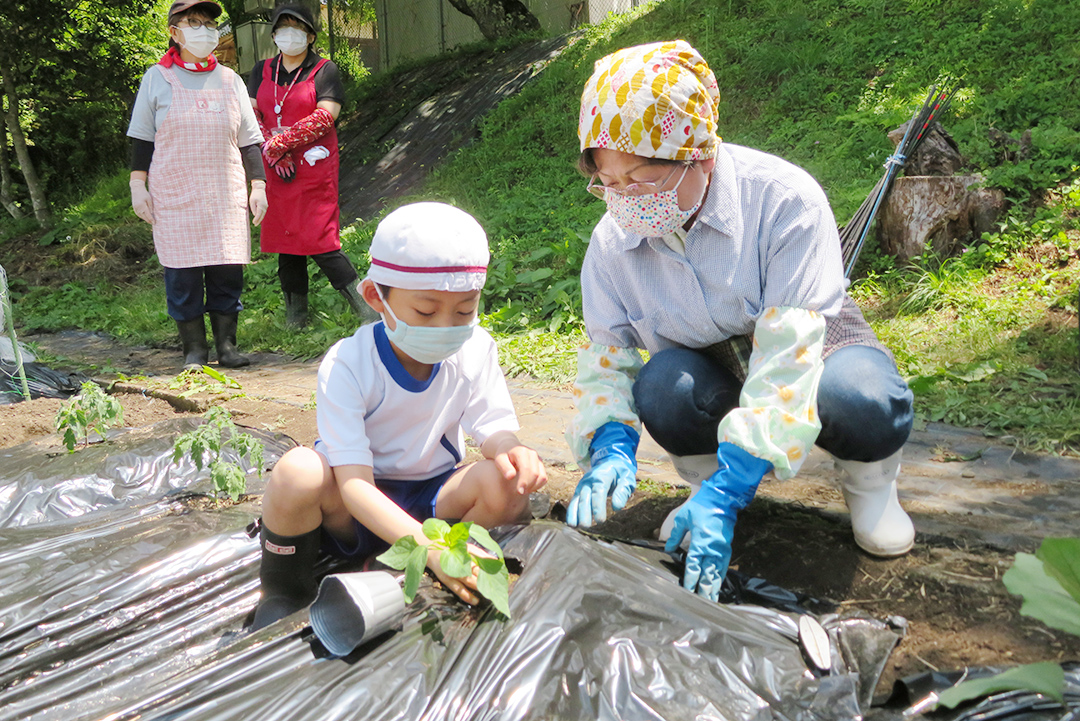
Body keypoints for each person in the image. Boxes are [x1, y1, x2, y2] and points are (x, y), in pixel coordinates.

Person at [565, 40, 915, 601]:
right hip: (709, 365)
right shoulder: (612, 243)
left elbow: (787, 356)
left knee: (862, 397)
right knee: (663, 387)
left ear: (700, 154)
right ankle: (703, 487)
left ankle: (869, 484)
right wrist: (609, 442)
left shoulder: (782, 200)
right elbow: (609, 357)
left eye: (641, 179)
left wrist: (733, 487)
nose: (625, 200)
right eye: (609, 183)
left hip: (807, 344)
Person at [251, 202, 548, 629]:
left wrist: (512, 450)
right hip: (354, 509)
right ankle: (283, 592)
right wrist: (429, 548)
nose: (446, 326)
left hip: (434, 497)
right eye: (425, 312)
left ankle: (412, 567)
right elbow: (353, 485)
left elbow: (493, 428)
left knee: (504, 482)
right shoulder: (350, 363)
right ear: (376, 298)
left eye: (464, 310)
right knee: (298, 471)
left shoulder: (476, 348)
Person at [127, 0, 267, 369]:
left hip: (224, 194)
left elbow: (249, 140)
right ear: (175, 32)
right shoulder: (156, 78)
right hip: (175, 195)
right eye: (193, 22)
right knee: (183, 276)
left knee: (226, 272)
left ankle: (228, 348)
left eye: (208, 23)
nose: (203, 29)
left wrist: (259, 186)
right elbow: (142, 139)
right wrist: (137, 185)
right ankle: (194, 351)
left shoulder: (230, 80)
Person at [248, 4, 373, 328]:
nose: (289, 35)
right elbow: (251, 116)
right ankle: (296, 319)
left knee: (321, 239)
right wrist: (272, 149)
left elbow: (325, 116)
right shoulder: (261, 70)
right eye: (283, 28)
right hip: (276, 170)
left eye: (297, 28)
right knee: (286, 243)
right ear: (274, 34)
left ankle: (366, 309)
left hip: (312, 169)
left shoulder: (324, 69)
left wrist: (283, 142)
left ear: (311, 36)